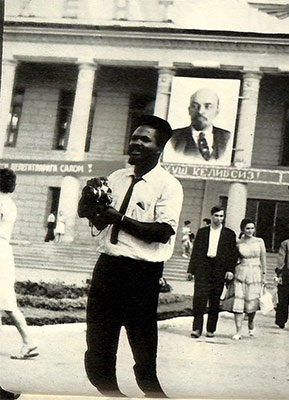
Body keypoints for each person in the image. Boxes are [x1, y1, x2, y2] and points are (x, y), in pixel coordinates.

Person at [78, 115, 183, 397]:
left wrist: (119, 218)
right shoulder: (116, 178)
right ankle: (109, 390)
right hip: (108, 266)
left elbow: (162, 232)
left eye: (144, 139)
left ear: (159, 148)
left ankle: (151, 390)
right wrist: (89, 206)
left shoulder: (168, 185)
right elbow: (101, 223)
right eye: (134, 137)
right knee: (99, 336)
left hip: (142, 274)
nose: (135, 142)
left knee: (141, 339)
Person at [0, 168, 39, 360]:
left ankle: (28, 340)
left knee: (7, 303)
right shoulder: (9, 202)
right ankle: (28, 341)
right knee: (5, 301)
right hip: (4, 250)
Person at [186, 206, 238, 338]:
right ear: (211, 216)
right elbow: (196, 252)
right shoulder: (203, 232)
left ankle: (211, 329)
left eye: (221, 216)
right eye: (216, 216)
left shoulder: (229, 234)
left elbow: (233, 254)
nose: (218, 218)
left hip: (219, 269)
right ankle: (197, 328)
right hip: (203, 268)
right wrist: (190, 270)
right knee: (199, 299)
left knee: (215, 300)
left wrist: (230, 270)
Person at [221, 218, 267, 340]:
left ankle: (251, 323)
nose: (250, 231)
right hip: (241, 272)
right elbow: (233, 257)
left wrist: (264, 275)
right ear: (243, 229)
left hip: (255, 273)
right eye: (247, 228)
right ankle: (238, 330)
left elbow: (263, 259)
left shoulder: (259, 241)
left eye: (252, 228)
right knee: (239, 302)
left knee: (251, 302)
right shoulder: (238, 242)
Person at [168, 88, 232, 163]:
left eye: (208, 106)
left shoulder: (228, 138)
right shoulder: (172, 138)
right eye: (195, 106)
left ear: (217, 111)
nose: (200, 112)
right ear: (189, 110)